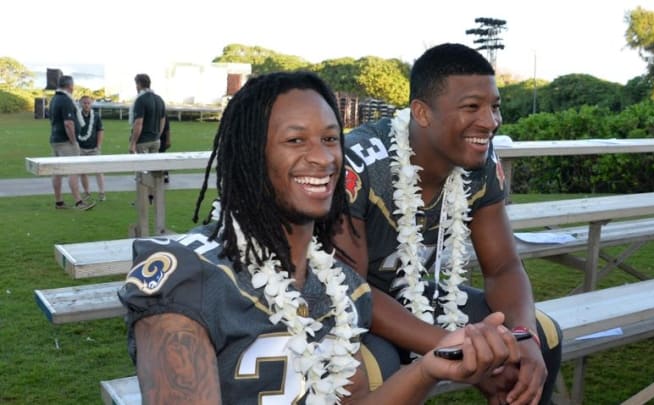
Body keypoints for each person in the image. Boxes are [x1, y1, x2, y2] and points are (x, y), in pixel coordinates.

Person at [118, 71, 523, 404]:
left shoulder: (338, 284)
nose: (323, 158)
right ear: (250, 155)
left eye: (330, 139)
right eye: (296, 140)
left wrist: (430, 368)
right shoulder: (187, 275)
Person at [333, 43, 562, 404]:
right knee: (380, 366)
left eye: (494, 107)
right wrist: (458, 348)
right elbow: (353, 291)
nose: (490, 122)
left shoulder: (480, 162)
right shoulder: (364, 162)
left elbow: (503, 267)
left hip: (413, 294)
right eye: (472, 107)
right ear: (422, 113)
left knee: (540, 337)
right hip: (346, 306)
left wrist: (523, 336)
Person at [48, 75, 95, 211]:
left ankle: (59, 202)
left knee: (57, 172)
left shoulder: (54, 99)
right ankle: (79, 202)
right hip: (66, 141)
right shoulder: (65, 100)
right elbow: (68, 123)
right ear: (70, 86)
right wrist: (73, 141)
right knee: (73, 171)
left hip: (55, 139)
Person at [77, 95, 106, 201]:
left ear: (91, 104)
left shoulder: (96, 116)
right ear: (80, 103)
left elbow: (100, 130)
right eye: (84, 103)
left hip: (94, 148)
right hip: (80, 148)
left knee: (99, 170)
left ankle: (102, 192)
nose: (86, 105)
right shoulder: (77, 115)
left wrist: (99, 145)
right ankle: (87, 192)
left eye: (88, 103)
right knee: (83, 171)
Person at [129, 73, 166, 154]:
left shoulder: (140, 100)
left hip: (142, 141)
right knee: (153, 166)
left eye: (136, 84)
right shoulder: (159, 99)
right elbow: (163, 120)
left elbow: (138, 123)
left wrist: (133, 143)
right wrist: (158, 135)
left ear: (139, 84)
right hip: (156, 140)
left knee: (142, 166)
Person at [159, 117, 171, 183]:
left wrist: (168, 140)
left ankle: (165, 175)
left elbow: (167, 128)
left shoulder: (163, 113)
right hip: (156, 138)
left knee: (161, 157)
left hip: (162, 139)